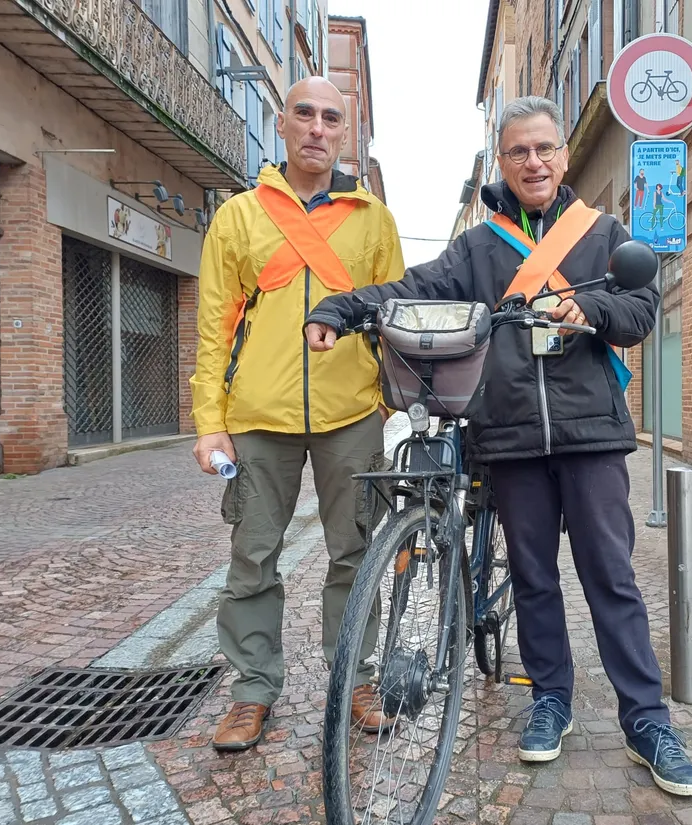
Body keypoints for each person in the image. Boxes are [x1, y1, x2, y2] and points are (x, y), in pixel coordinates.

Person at [304, 95, 692, 798]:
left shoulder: (602, 230)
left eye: (544, 148)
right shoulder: (479, 247)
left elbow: (641, 310)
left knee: (611, 577)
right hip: (511, 436)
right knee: (533, 579)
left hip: (589, 434)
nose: (534, 162)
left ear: (564, 155)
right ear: (503, 162)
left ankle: (647, 721)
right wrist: (342, 306)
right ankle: (550, 699)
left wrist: (594, 309)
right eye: (519, 151)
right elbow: (415, 286)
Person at [189, 76, 406, 752]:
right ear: (281, 123)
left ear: (345, 133)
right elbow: (212, 328)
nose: (316, 127)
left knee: (356, 553)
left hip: (351, 414)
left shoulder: (372, 219)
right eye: (304, 113)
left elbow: (392, 311)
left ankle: (356, 680)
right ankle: (253, 689)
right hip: (257, 414)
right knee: (252, 557)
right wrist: (209, 421)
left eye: (330, 118)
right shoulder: (239, 216)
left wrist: (394, 398)